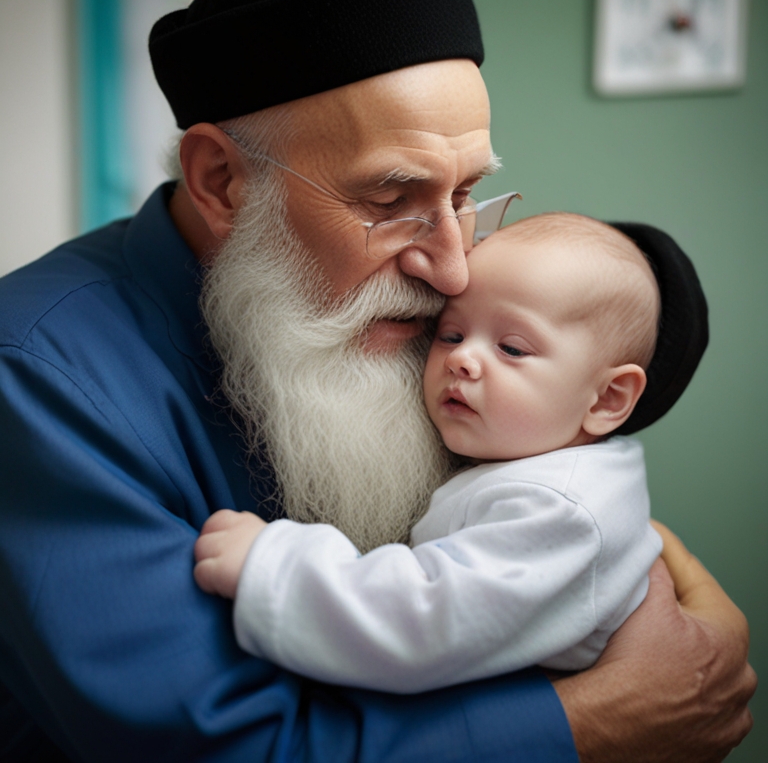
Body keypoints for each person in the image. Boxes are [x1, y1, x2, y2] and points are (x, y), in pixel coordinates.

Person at [0, 0, 755, 761]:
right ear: (223, 181)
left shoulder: (422, 322)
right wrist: (602, 719)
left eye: (464, 196)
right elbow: (218, 744)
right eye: (390, 202)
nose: (452, 270)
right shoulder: (35, 375)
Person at [191, 212, 682, 693]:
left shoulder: (559, 509)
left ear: (607, 399)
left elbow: (425, 622)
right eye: (451, 335)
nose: (462, 358)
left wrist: (274, 567)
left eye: (512, 348)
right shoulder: (538, 464)